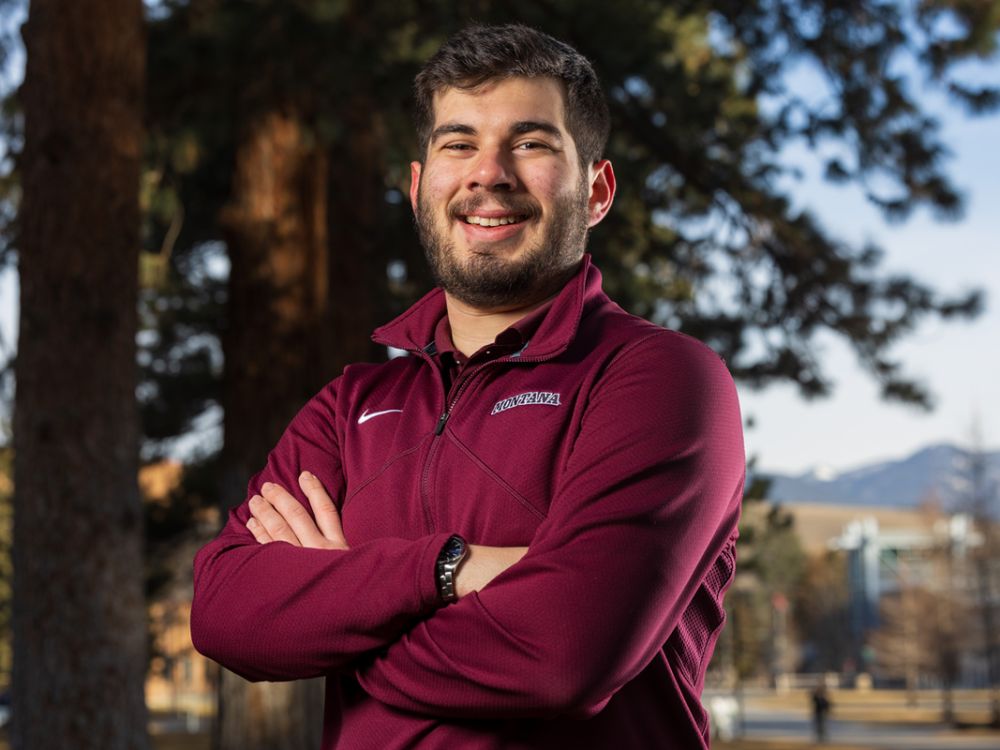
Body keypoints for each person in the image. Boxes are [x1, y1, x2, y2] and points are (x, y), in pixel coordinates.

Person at [191, 23, 744, 749]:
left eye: (532, 143)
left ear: (597, 190)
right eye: (458, 143)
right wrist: (449, 570)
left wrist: (345, 609)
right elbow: (225, 610)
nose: (489, 173)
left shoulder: (659, 379)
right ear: (420, 188)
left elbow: (565, 654)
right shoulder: (348, 406)